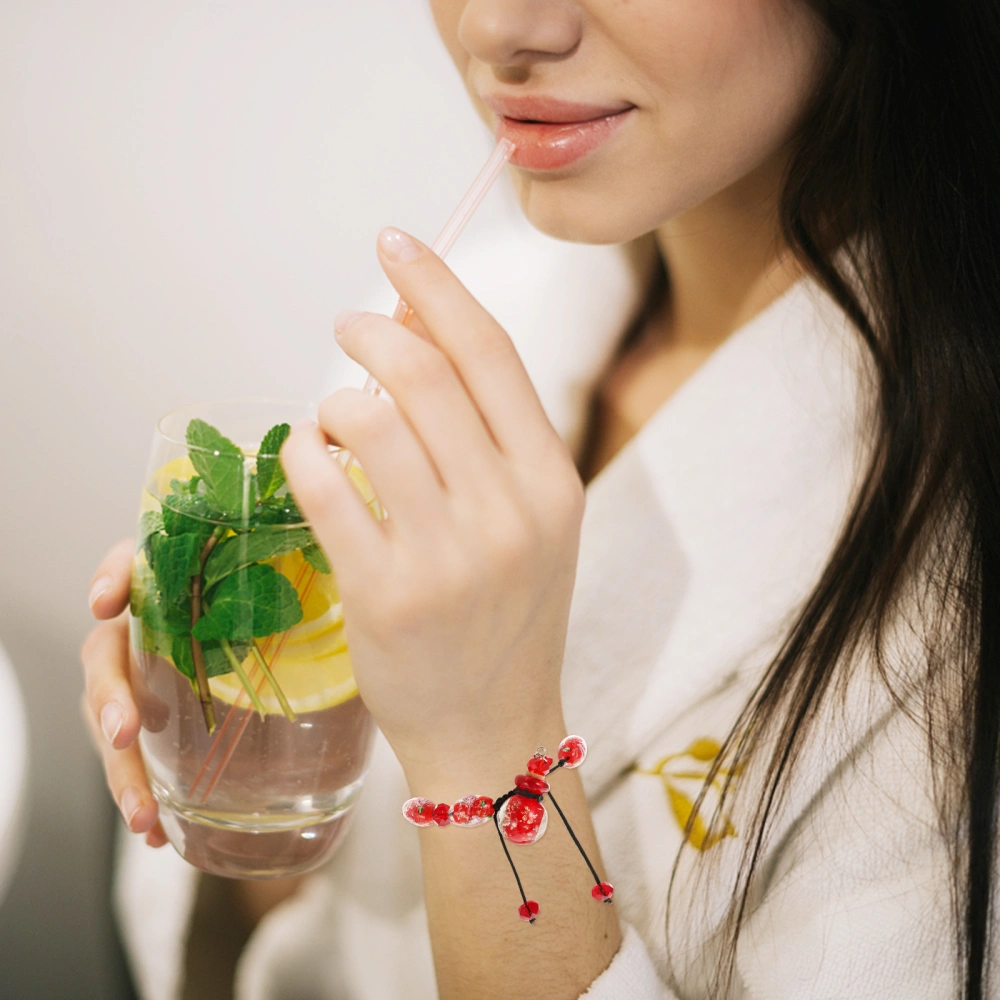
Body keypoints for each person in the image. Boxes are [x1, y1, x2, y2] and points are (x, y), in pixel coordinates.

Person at [81, 1, 1000, 998]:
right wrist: (246, 745)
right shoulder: (480, 324)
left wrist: (487, 748)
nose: (494, 26)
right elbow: (308, 934)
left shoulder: (957, 567)